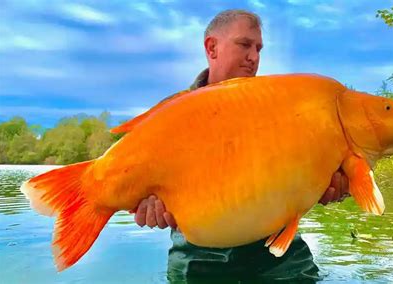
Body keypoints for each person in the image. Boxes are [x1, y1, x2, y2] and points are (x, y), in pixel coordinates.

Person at [133, 9, 349, 282]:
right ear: (212, 47)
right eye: (244, 45)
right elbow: (144, 191)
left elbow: (313, 173)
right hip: (196, 258)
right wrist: (148, 208)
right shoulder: (170, 116)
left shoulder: (282, 108)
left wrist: (335, 185)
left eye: (258, 48)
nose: (254, 57)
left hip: (278, 256)